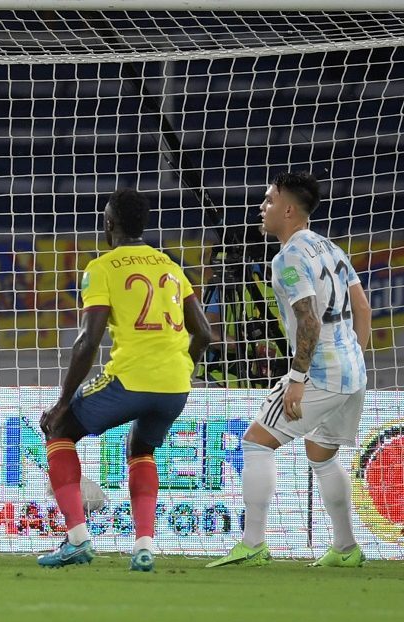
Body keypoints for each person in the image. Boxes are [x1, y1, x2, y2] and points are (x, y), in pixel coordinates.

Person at [38, 189, 211, 572]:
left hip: (130, 380)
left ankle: (78, 540)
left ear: (109, 223)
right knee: (141, 449)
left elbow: (88, 340)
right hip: (175, 386)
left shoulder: (102, 268)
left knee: (59, 430)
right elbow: (205, 333)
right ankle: (144, 547)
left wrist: (63, 402)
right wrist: (184, 370)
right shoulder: (170, 266)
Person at [208, 172, 371, 568]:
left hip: (321, 373)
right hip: (353, 371)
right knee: (321, 454)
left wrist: (297, 381)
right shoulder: (331, 248)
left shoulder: (289, 258)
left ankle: (253, 543)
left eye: (267, 201)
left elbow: (310, 321)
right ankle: (347, 549)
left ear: (288, 209)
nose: (261, 209)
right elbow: (363, 309)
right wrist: (353, 360)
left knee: (256, 443)